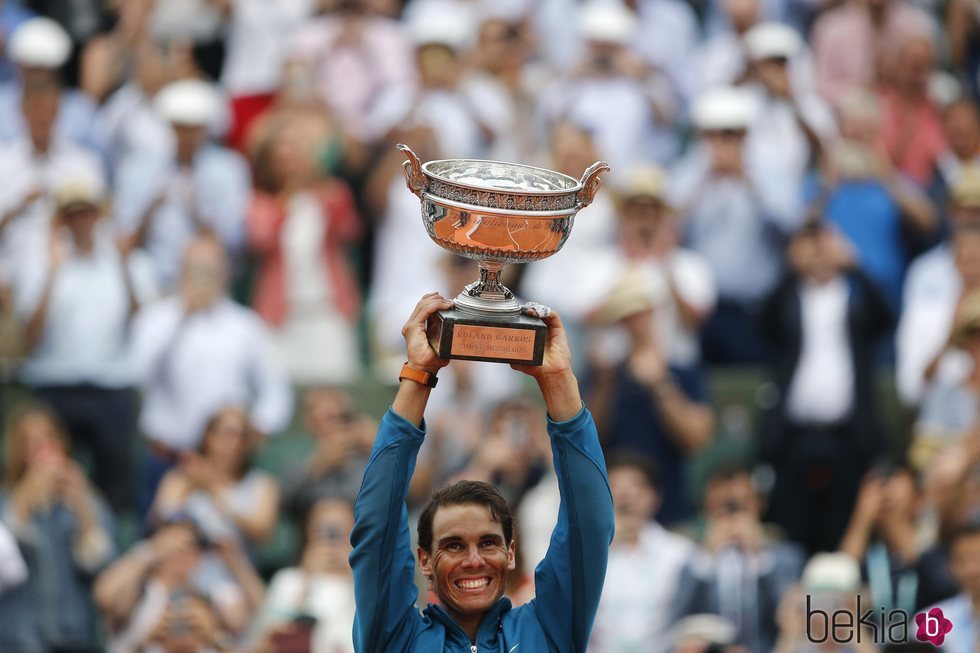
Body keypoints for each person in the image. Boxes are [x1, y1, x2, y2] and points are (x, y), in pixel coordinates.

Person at [350, 293, 614, 651]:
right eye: (454, 545)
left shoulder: (550, 626)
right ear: (424, 559)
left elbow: (591, 526)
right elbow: (376, 526)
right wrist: (418, 374)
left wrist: (558, 381)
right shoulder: (396, 636)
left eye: (488, 543)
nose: (473, 561)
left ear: (510, 553)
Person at [11, 175, 157, 512]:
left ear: (98, 215)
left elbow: (142, 326)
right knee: (43, 479)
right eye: (71, 214)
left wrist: (123, 266)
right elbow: (30, 336)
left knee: (116, 486)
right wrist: (51, 271)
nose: (80, 221)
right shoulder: (38, 264)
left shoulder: (127, 262)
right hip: (54, 383)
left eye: (86, 212)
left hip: (111, 386)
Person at [130, 234, 292, 515]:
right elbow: (137, 374)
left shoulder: (246, 326)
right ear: (181, 270)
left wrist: (257, 430)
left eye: (209, 271)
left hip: (226, 465)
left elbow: (276, 391)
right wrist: (183, 318)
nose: (202, 279)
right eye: (195, 270)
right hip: (168, 457)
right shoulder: (155, 319)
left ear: (224, 272)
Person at [759, 220, 893, 554]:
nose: (819, 254)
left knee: (841, 523)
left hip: (847, 436)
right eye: (811, 246)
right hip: (795, 435)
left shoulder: (853, 300)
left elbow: (888, 316)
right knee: (792, 528)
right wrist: (791, 268)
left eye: (825, 246)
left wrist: (855, 265)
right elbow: (760, 321)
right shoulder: (791, 300)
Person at [0, 403, 116, 653]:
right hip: (16, 637)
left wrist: (84, 510)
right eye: (28, 442)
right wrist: (23, 501)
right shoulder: (5, 500)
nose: (39, 451)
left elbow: (102, 568)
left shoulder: (87, 499)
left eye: (46, 439)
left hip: (73, 637)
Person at [114, 78, 250, 290]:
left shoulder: (229, 169)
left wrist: (198, 213)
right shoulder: (140, 169)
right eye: (180, 128)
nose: (187, 137)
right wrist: (151, 208)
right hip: (153, 283)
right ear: (170, 127)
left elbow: (234, 246)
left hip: (208, 284)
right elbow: (124, 243)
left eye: (193, 129)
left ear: (205, 128)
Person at [674, 463, 805, 653]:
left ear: (759, 504)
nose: (733, 513)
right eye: (723, 505)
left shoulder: (787, 557)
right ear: (706, 506)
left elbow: (792, 618)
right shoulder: (688, 556)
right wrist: (707, 556)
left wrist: (760, 556)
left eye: (742, 504)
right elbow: (678, 616)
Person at [589, 452, 695, 653]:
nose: (625, 495)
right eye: (615, 486)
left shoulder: (680, 554)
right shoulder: (584, 557)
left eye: (636, 486)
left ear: (655, 497)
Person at [150, 406, 280, 547]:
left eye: (242, 436)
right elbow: (160, 521)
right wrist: (187, 485)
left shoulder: (262, 484)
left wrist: (211, 487)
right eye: (227, 434)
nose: (234, 443)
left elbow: (262, 532)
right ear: (209, 436)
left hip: (234, 564)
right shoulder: (181, 476)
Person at [251, 497, 357, 653]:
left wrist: (355, 573)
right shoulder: (288, 580)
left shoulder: (367, 584)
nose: (330, 541)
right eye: (323, 531)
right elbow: (266, 635)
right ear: (309, 532)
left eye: (338, 531)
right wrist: (307, 578)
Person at [931, 520, 980, 653]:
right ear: (950, 566)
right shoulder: (933, 620)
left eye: (978, 559)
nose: (973, 569)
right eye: (963, 560)